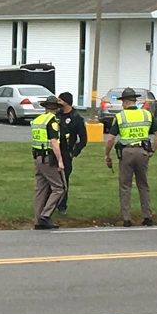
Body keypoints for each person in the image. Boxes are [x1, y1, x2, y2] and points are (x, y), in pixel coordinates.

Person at [104, 87, 157, 227]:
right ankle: (147, 217)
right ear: (135, 101)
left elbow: (111, 139)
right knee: (143, 185)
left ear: (124, 102)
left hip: (127, 153)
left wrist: (107, 154)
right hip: (143, 152)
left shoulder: (120, 117)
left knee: (125, 186)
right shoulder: (146, 114)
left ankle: (126, 219)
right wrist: (152, 150)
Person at [30, 95, 66, 230]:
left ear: (45, 107)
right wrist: (60, 161)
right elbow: (54, 142)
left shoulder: (37, 120)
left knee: (41, 189)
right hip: (48, 158)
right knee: (59, 188)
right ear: (56, 108)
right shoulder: (52, 122)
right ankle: (45, 216)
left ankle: (37, 220)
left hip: (38, 158)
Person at [55, 91, 87, 214]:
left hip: (66, 153)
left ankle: (62, 206)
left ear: (66, 102)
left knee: (63, 180)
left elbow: (83, 139)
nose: (58, 103)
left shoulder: (76, 118)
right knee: (52, 180)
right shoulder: (57, 115)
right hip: (54, 151)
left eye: (60, 101)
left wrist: (73, 152)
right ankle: (50, 204)